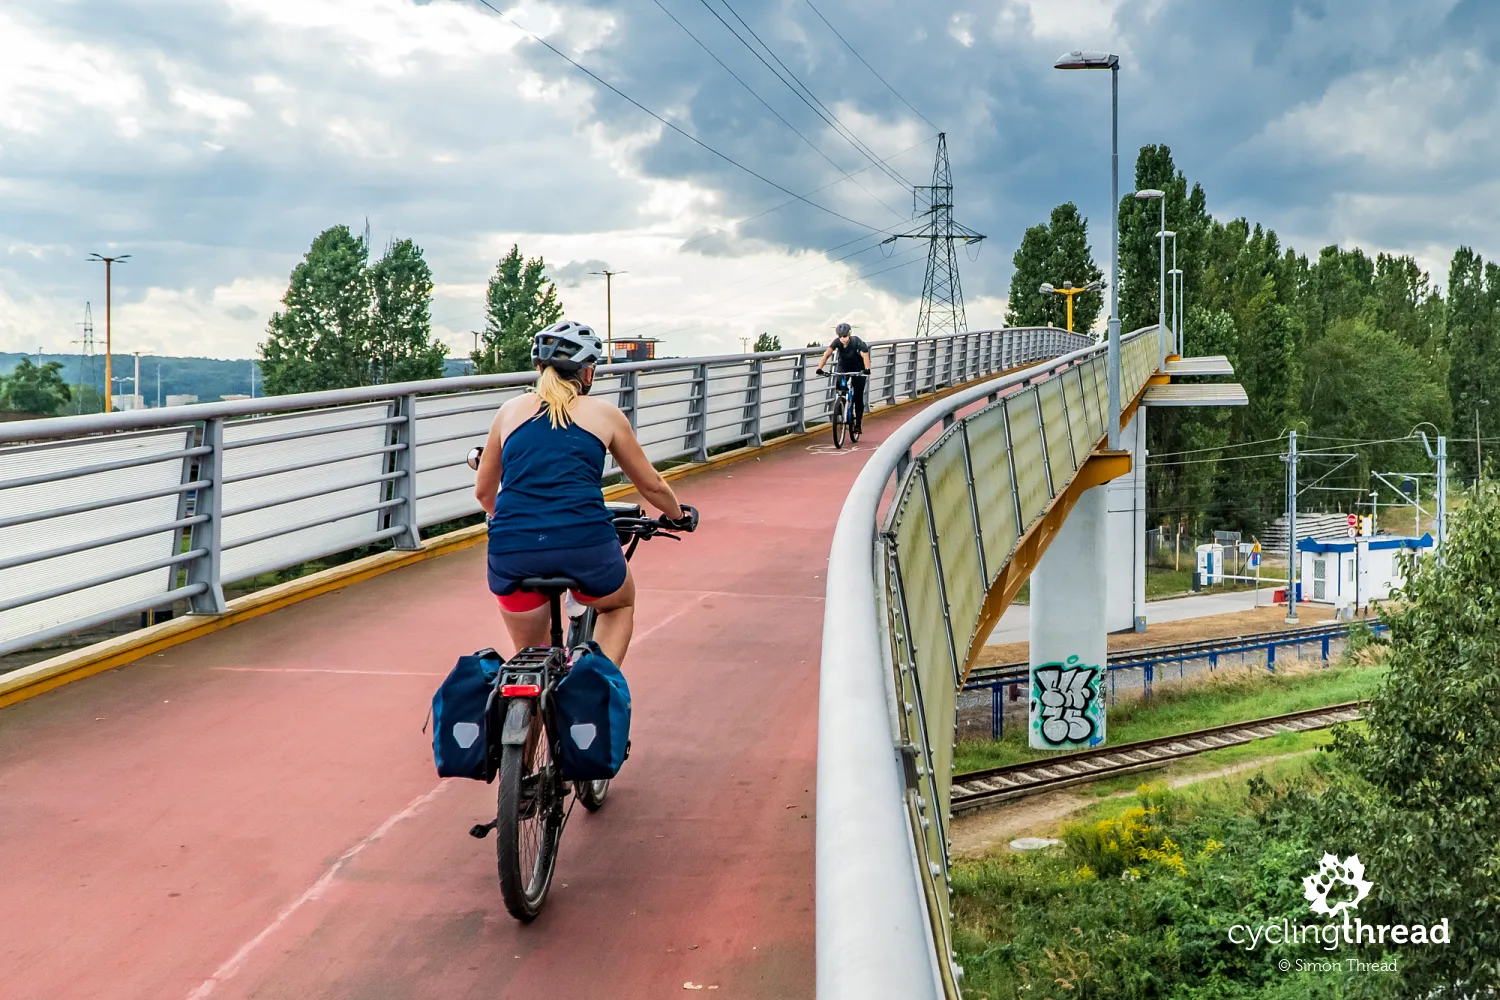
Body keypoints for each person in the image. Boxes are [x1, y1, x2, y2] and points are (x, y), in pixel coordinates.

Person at [474, 320, 696, 666]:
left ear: (540, 369)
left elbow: (484, 493)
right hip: (585, 544)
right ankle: (593, 683)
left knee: (530, 658)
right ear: (587, 373)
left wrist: (511, 521)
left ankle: (529, 689)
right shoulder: (604, 413)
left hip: (513, 550)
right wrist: (678, 516)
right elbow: (651, 484)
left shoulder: (509, 412)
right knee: (619, 605)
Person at [815, 322, 872, 432]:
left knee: (858, 396)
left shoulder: (857, 341)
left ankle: (858, 424)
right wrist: (819, 368)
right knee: (840, 385)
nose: (842, 339)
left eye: (845, 336)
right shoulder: (837, 342)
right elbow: (827, 354)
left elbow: (865, 355)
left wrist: (867, 369)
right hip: (844, 367)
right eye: (840, 336)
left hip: (859, 368)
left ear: (849, 334)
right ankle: (843, 405)